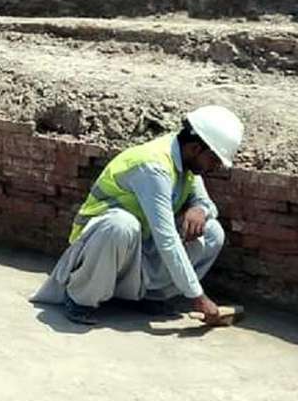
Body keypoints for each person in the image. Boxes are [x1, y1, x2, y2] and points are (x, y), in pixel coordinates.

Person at [32, 105, 244, 326]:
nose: (215, 166)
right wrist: (198, 297)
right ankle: (80, 298)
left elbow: (207, 203)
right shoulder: (153, 166)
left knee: (212, 232)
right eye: (214, 159)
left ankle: (146, 297)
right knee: (122, 225)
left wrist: (201, 209)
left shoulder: (185, 161)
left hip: (137, 248)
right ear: (196, 148)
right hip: (99, 248)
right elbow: (167, 239)